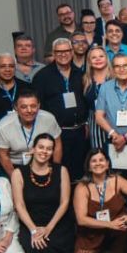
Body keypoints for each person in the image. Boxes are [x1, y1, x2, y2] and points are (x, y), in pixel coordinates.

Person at [9, 133, 74, 253]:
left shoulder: (61, 170)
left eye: (49, 149)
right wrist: (33, 230)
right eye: (41, 147)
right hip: (29, 221)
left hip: (56, 221)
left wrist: (48, 228)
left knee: (51, 245)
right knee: (32, 247)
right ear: (33, 149)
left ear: (52, 152)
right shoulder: (18, 173)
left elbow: (64, 202)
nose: (44, 151)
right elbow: (19, 205)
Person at [72, 149, 127, 253]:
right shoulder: (82, 188)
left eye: (101, 160)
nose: (98, 163)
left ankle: (113, 243)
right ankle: (101, 245)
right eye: (94, 161)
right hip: (93, 230)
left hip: (117, 225)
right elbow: (81, 220)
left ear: (107, 164)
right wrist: (110, 224)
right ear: (89, 167)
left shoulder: (117, 180)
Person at [32, 38, 88, 181]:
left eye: (66, 51)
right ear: (53, 53)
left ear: (72, 52)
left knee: (81, 172)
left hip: (80, 132)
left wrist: (86, 122)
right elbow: (37, 106)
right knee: (61, 172)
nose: (63, 54)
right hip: (57, 133)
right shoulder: (42, 76)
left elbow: (86, 100)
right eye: (59, 51)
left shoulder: (80, 73)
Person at [94, 53, 127, 187]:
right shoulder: (105, 87)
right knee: (114, 182)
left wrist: (126, 137)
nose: (122, 69)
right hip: (113, 140)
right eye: (117, 66)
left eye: (125, 65)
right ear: (112, 69)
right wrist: (114, 135)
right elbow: (99, 116)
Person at [0, 89, 62, 176]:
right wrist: (15, 177)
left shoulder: (49, 119)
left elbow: (57, 145)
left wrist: (55, 170)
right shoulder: (3, 126)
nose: (29, 110)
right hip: (15, 165)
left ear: (39, 105)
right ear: (16, 108)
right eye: (24, 107)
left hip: (44, 161)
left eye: (33, 106)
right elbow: (3, 155)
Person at [82, 45, 112, 160]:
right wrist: (86, 123)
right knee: (98, 155)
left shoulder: (114, 77)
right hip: (94, 123)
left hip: (113, 120)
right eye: (94, 57)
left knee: (116, 155)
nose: (98, 59)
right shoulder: (86, 80)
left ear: (106, 58)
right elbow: (84, 105)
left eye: (101, 56)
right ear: (89, 61)